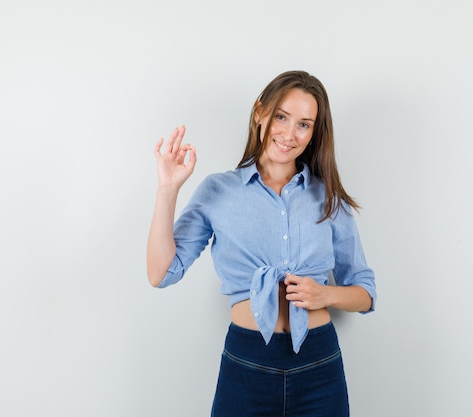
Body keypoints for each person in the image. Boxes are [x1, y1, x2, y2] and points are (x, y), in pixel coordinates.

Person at [147, 70, 377, 417]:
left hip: (319, 365)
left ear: (315, 133)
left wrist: (325, 294)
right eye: (281, 117)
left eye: (304, 124)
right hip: (246, 363)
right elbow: (161, 273)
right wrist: (168, 190)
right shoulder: (218, 191)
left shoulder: (328, 197)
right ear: (260, 112)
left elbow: (365, 292)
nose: (289, 133)